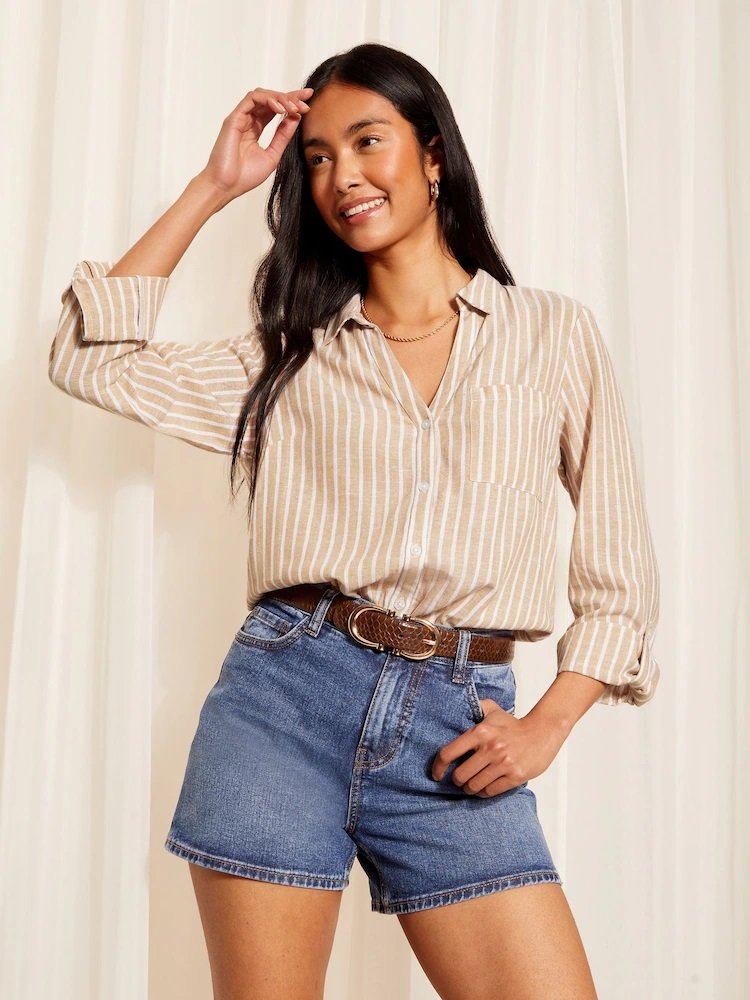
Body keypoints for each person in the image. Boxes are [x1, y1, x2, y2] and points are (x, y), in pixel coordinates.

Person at [48, 41, 660, 1000]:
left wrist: (548, 724)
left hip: (459, 729)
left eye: (368, 141)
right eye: (319, 158)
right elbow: (89, 359)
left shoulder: (553, 335)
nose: (342, 176)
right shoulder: (287, 356)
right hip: (280, 706)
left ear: (432, 155)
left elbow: (619, 569)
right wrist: (214, 188)